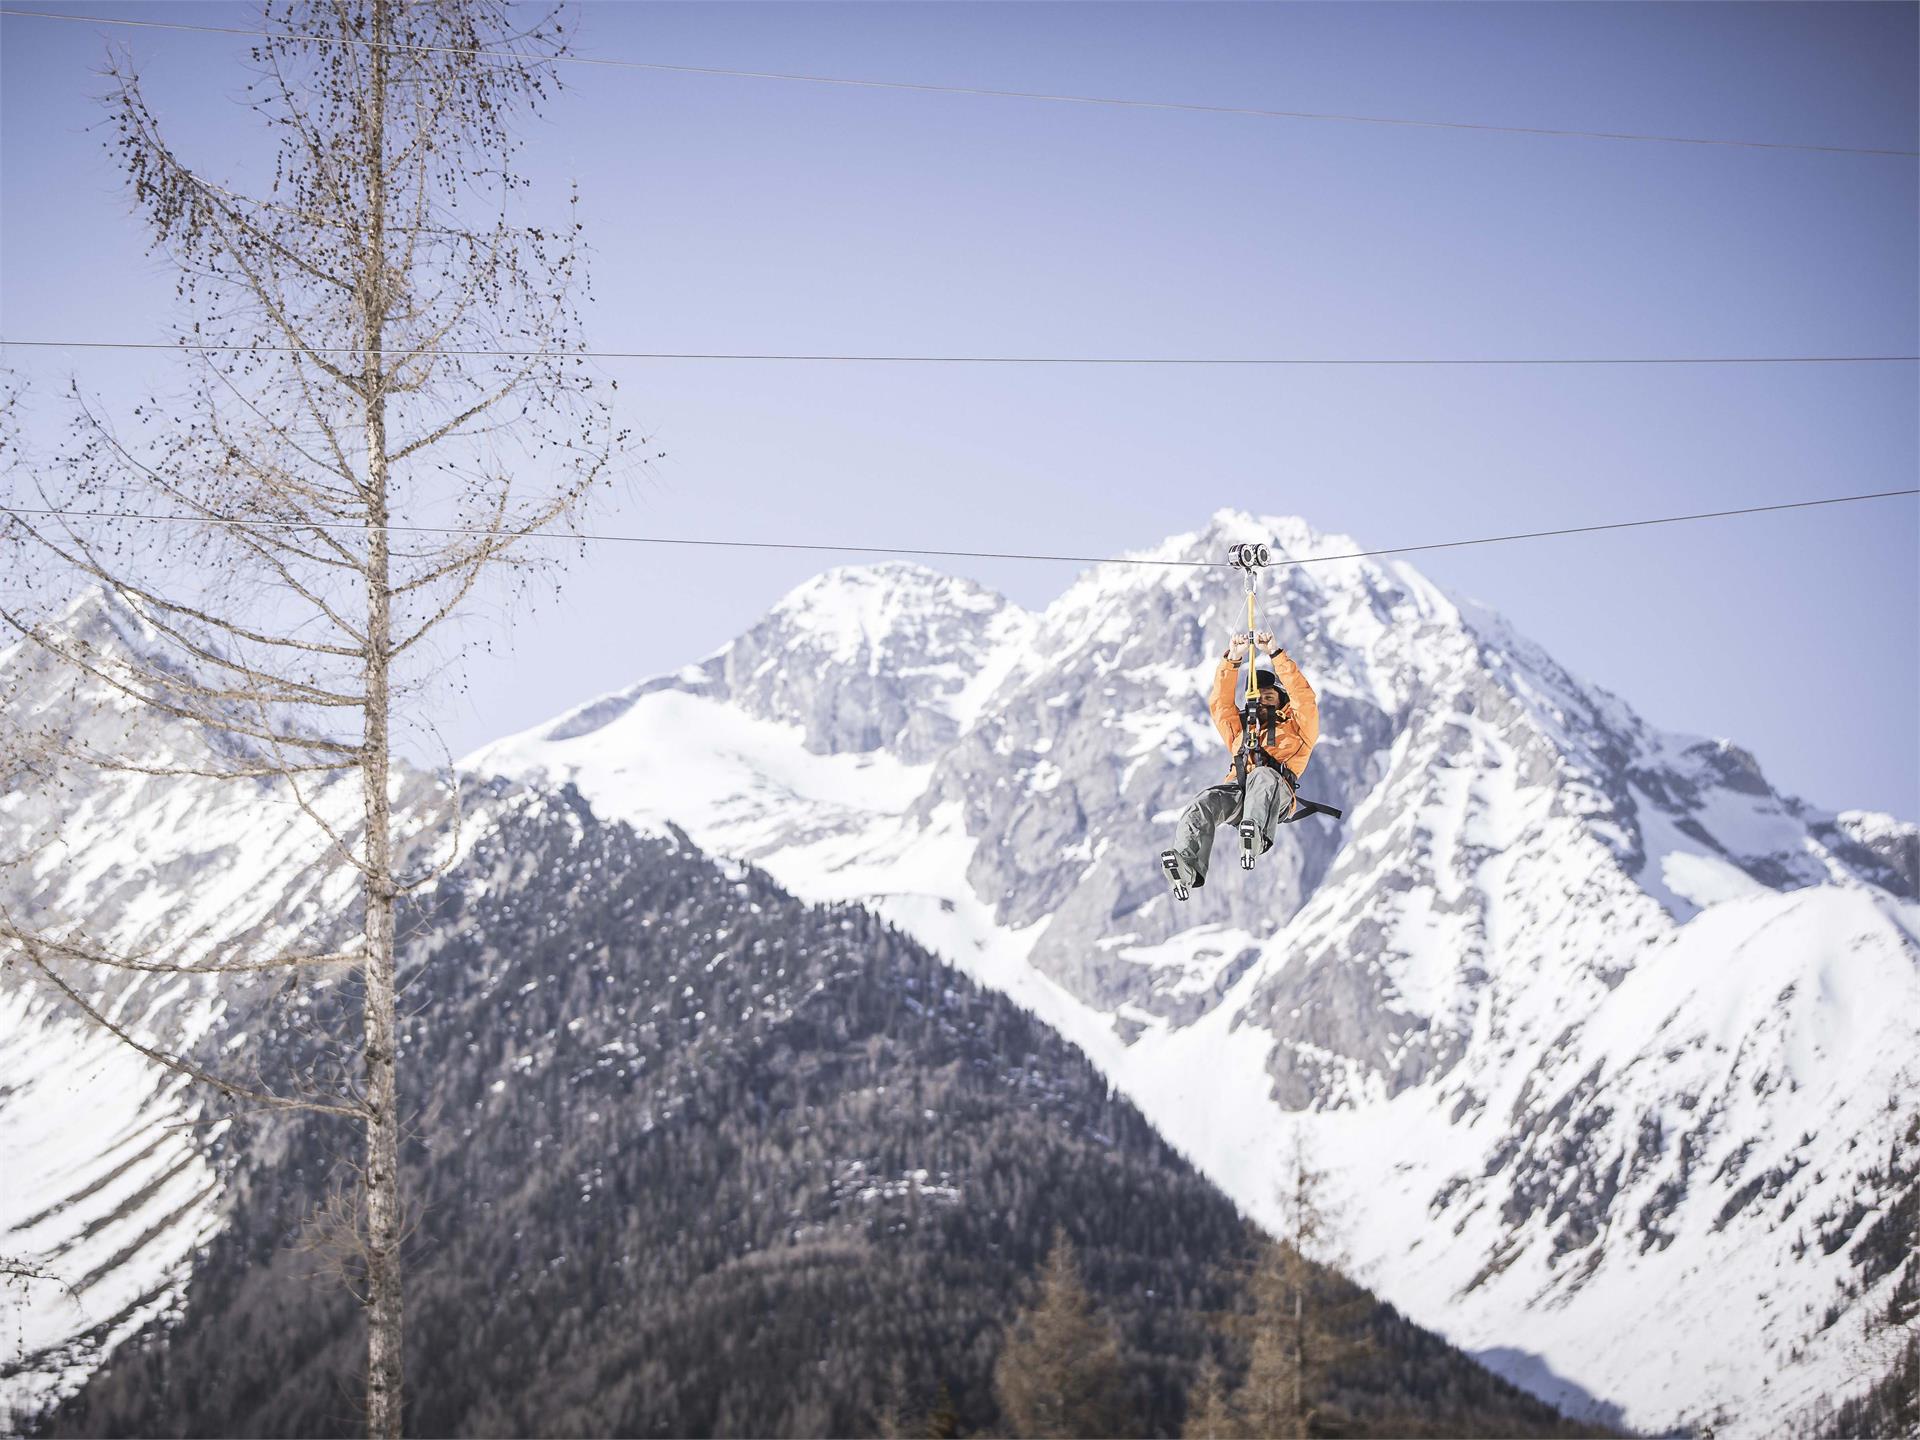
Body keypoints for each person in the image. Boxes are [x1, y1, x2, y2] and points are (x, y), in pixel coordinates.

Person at [1160, 629, 1320, 900]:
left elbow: (1304, 698)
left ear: (1281, 700)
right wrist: (1232, 659)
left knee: (1265, 776)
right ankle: (1187, 865)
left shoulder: (1299, 728)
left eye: (1270, 696)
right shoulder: (1242, 729)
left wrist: (1275, 654)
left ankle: (1256, 836)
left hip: (1275, 793)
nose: (1264, 700)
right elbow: (1221, 704)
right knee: (1207, 800)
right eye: (1259, 697)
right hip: (1240, 791)